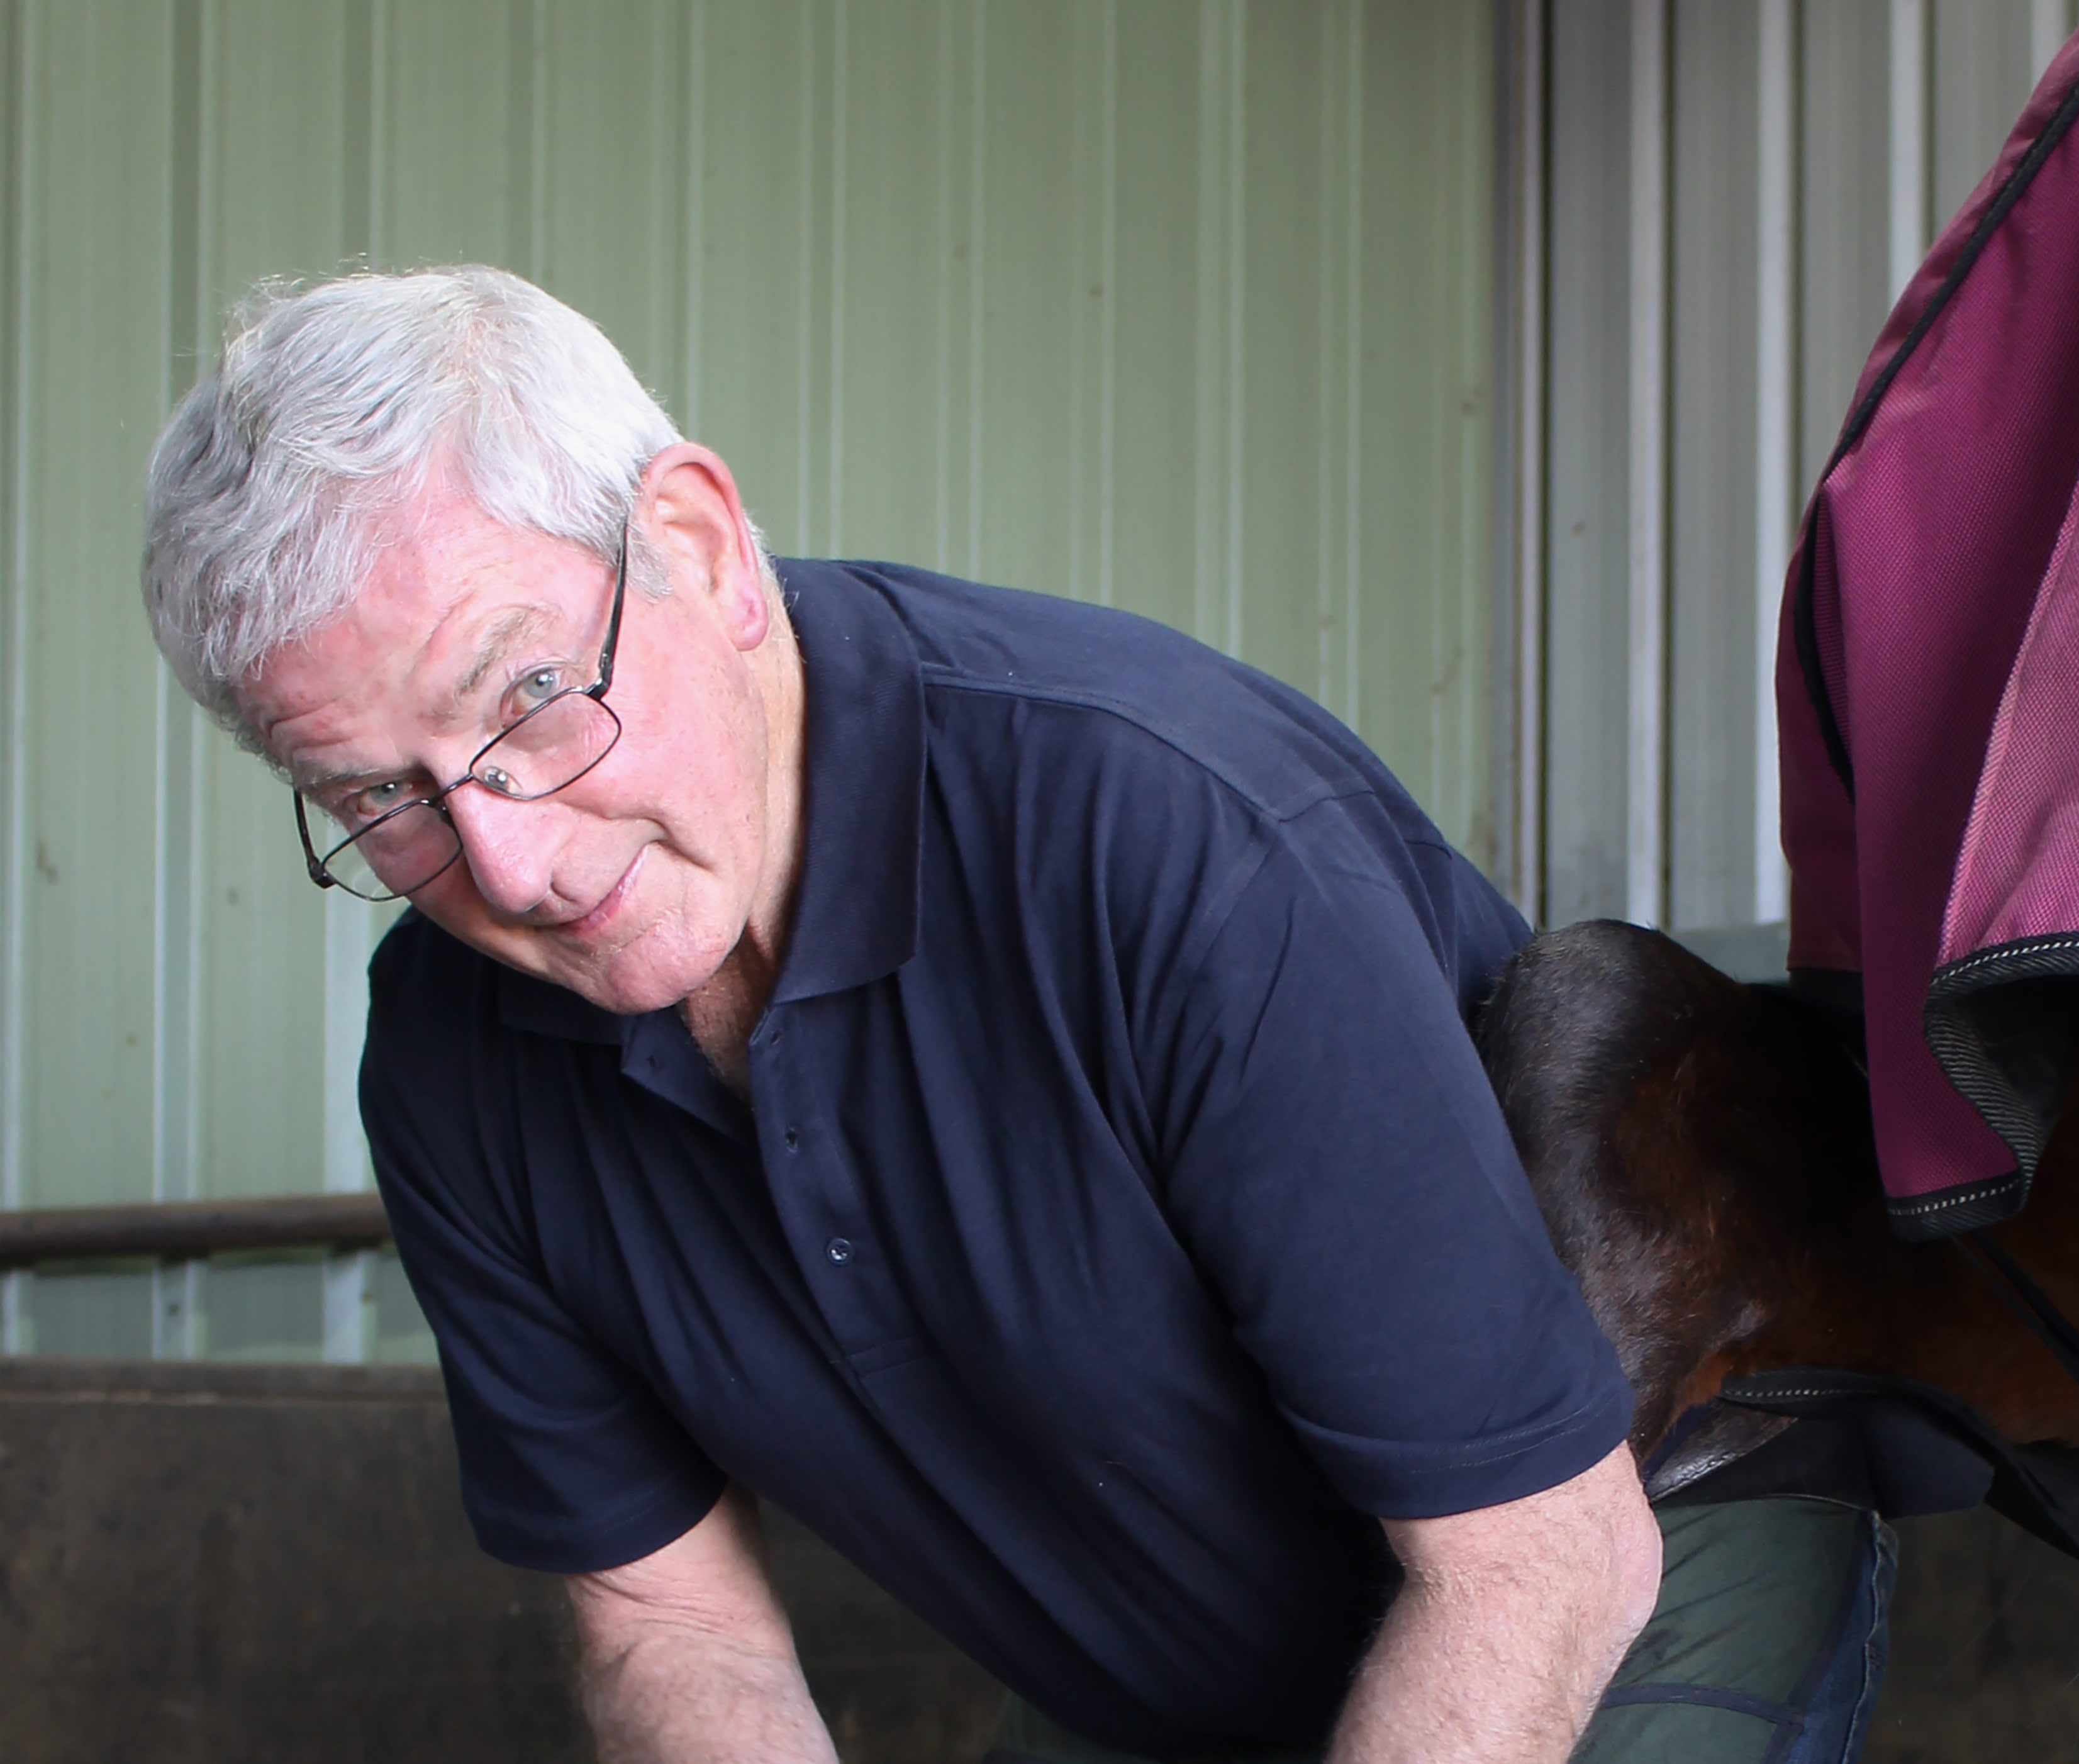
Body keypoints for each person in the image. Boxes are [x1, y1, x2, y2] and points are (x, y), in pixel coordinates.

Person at [141, 266, 1891, 1763]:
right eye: (381, 794)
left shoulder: (1163, 842)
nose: (507, 859)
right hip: (1183, 1672)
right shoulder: (455, 1056)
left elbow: (1537, 1561)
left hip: (1618, 1549)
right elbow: (672, 1626)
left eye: (528, 692)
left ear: (699, 542)